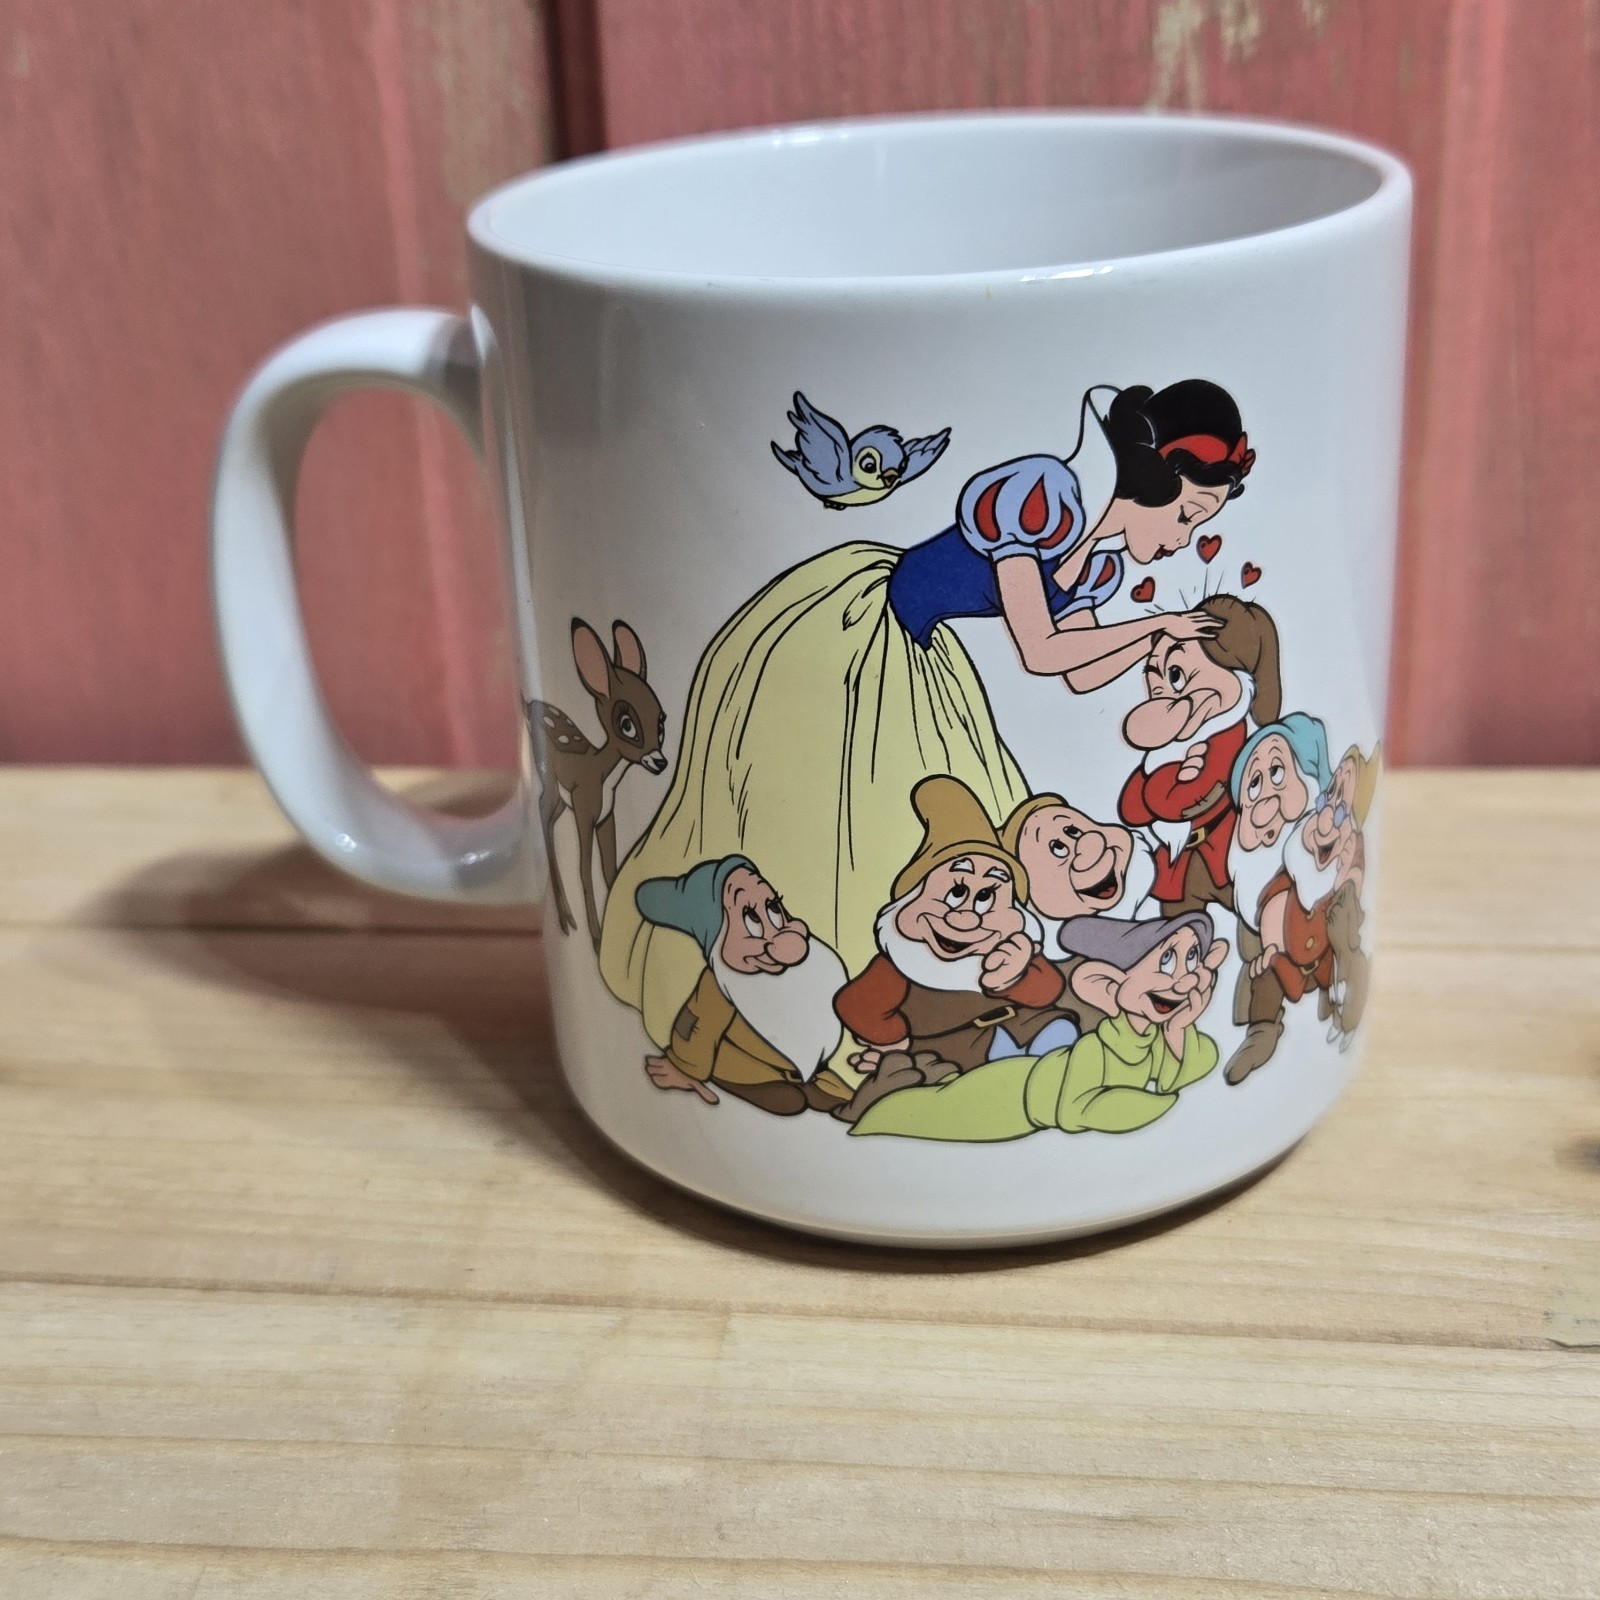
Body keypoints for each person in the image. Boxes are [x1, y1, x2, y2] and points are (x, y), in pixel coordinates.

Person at [600, 381, 1256, 1036]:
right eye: (1187, 515)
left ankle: (921, 996)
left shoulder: (1097, 568)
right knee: (830, 801)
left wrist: (1158, 653)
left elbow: (1082, 674)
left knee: (922, 816)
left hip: (919, 658)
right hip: (860, 632)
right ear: (1152, 477)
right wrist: (1155, 625)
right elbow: (1039, 648)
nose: (1184, 538)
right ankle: (792, 993)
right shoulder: (1043, 497)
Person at [844, 912, 1227, 1140]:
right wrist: (1156, 1104)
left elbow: (1189, 1069)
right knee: (908, 1114)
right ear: (1106, 985)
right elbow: (1077, 1109)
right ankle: (875, 1109)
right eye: (1166, 960)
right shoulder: (1093, 1050)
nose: (1186, 979)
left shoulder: (1153, 1041)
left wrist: (1178, 1028)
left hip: (1017, 1100)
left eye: (1192, 958)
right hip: (1004, 1093)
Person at [634, 855, 854, 1114]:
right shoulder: (720, 984)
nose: (776, 934)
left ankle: (815, 1082)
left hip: (801, 1067)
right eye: (750, 917)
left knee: (848, 1102)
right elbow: (694, 1025)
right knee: (790, 1102)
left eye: (773, 908)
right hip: (747, 1067)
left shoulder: (804, 970)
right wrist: (684, 1067)